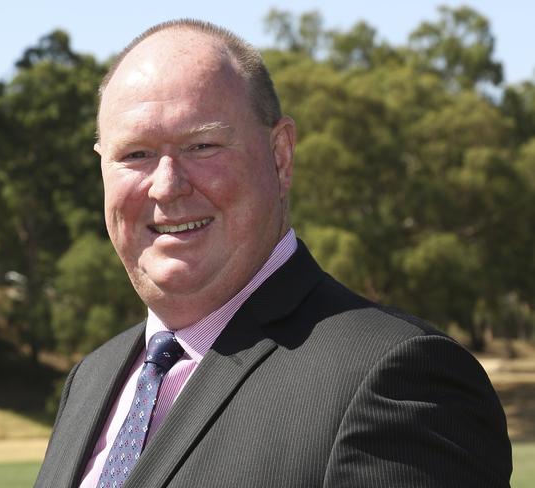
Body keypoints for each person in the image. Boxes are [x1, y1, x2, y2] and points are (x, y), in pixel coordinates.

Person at [34, 19, 511, 488]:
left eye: (201, 145)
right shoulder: (92, 380)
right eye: (135, 154)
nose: (167, 186)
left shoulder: (398, 379)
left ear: (280, 156)